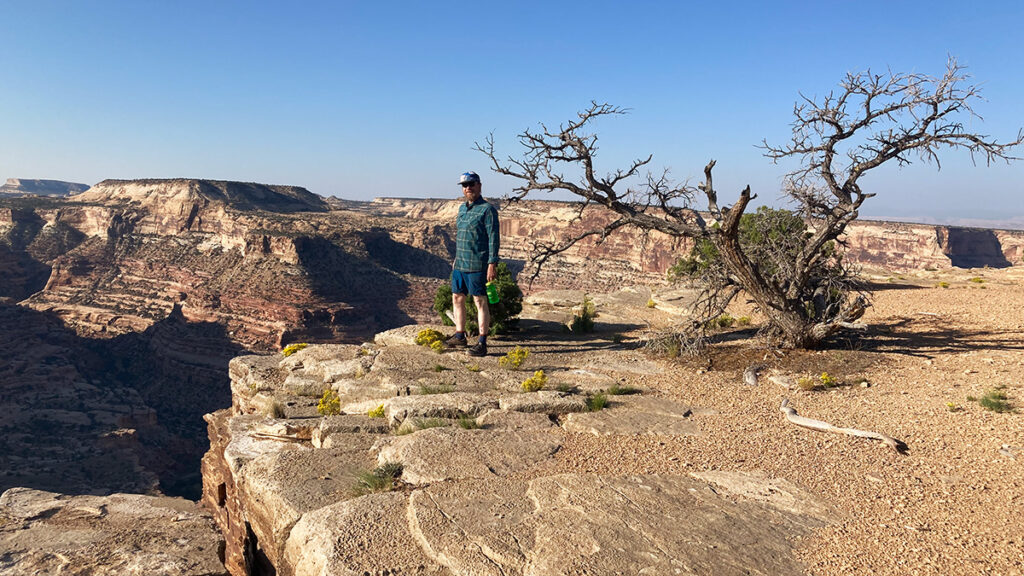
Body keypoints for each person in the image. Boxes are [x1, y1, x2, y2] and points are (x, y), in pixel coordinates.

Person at [445, 171, 499, 356]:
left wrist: (492, 263)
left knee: (479, 301)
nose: (468, 188)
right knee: (457, 298)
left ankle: (482, 342)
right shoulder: (462, 208)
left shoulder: (487, 210)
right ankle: (460, 335)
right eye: (465, 185)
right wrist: (455, 259)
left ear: (479, 185)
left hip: (478, 263)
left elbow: (493, 238)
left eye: (471, 184)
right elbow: (462, 236)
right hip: (460, 263)